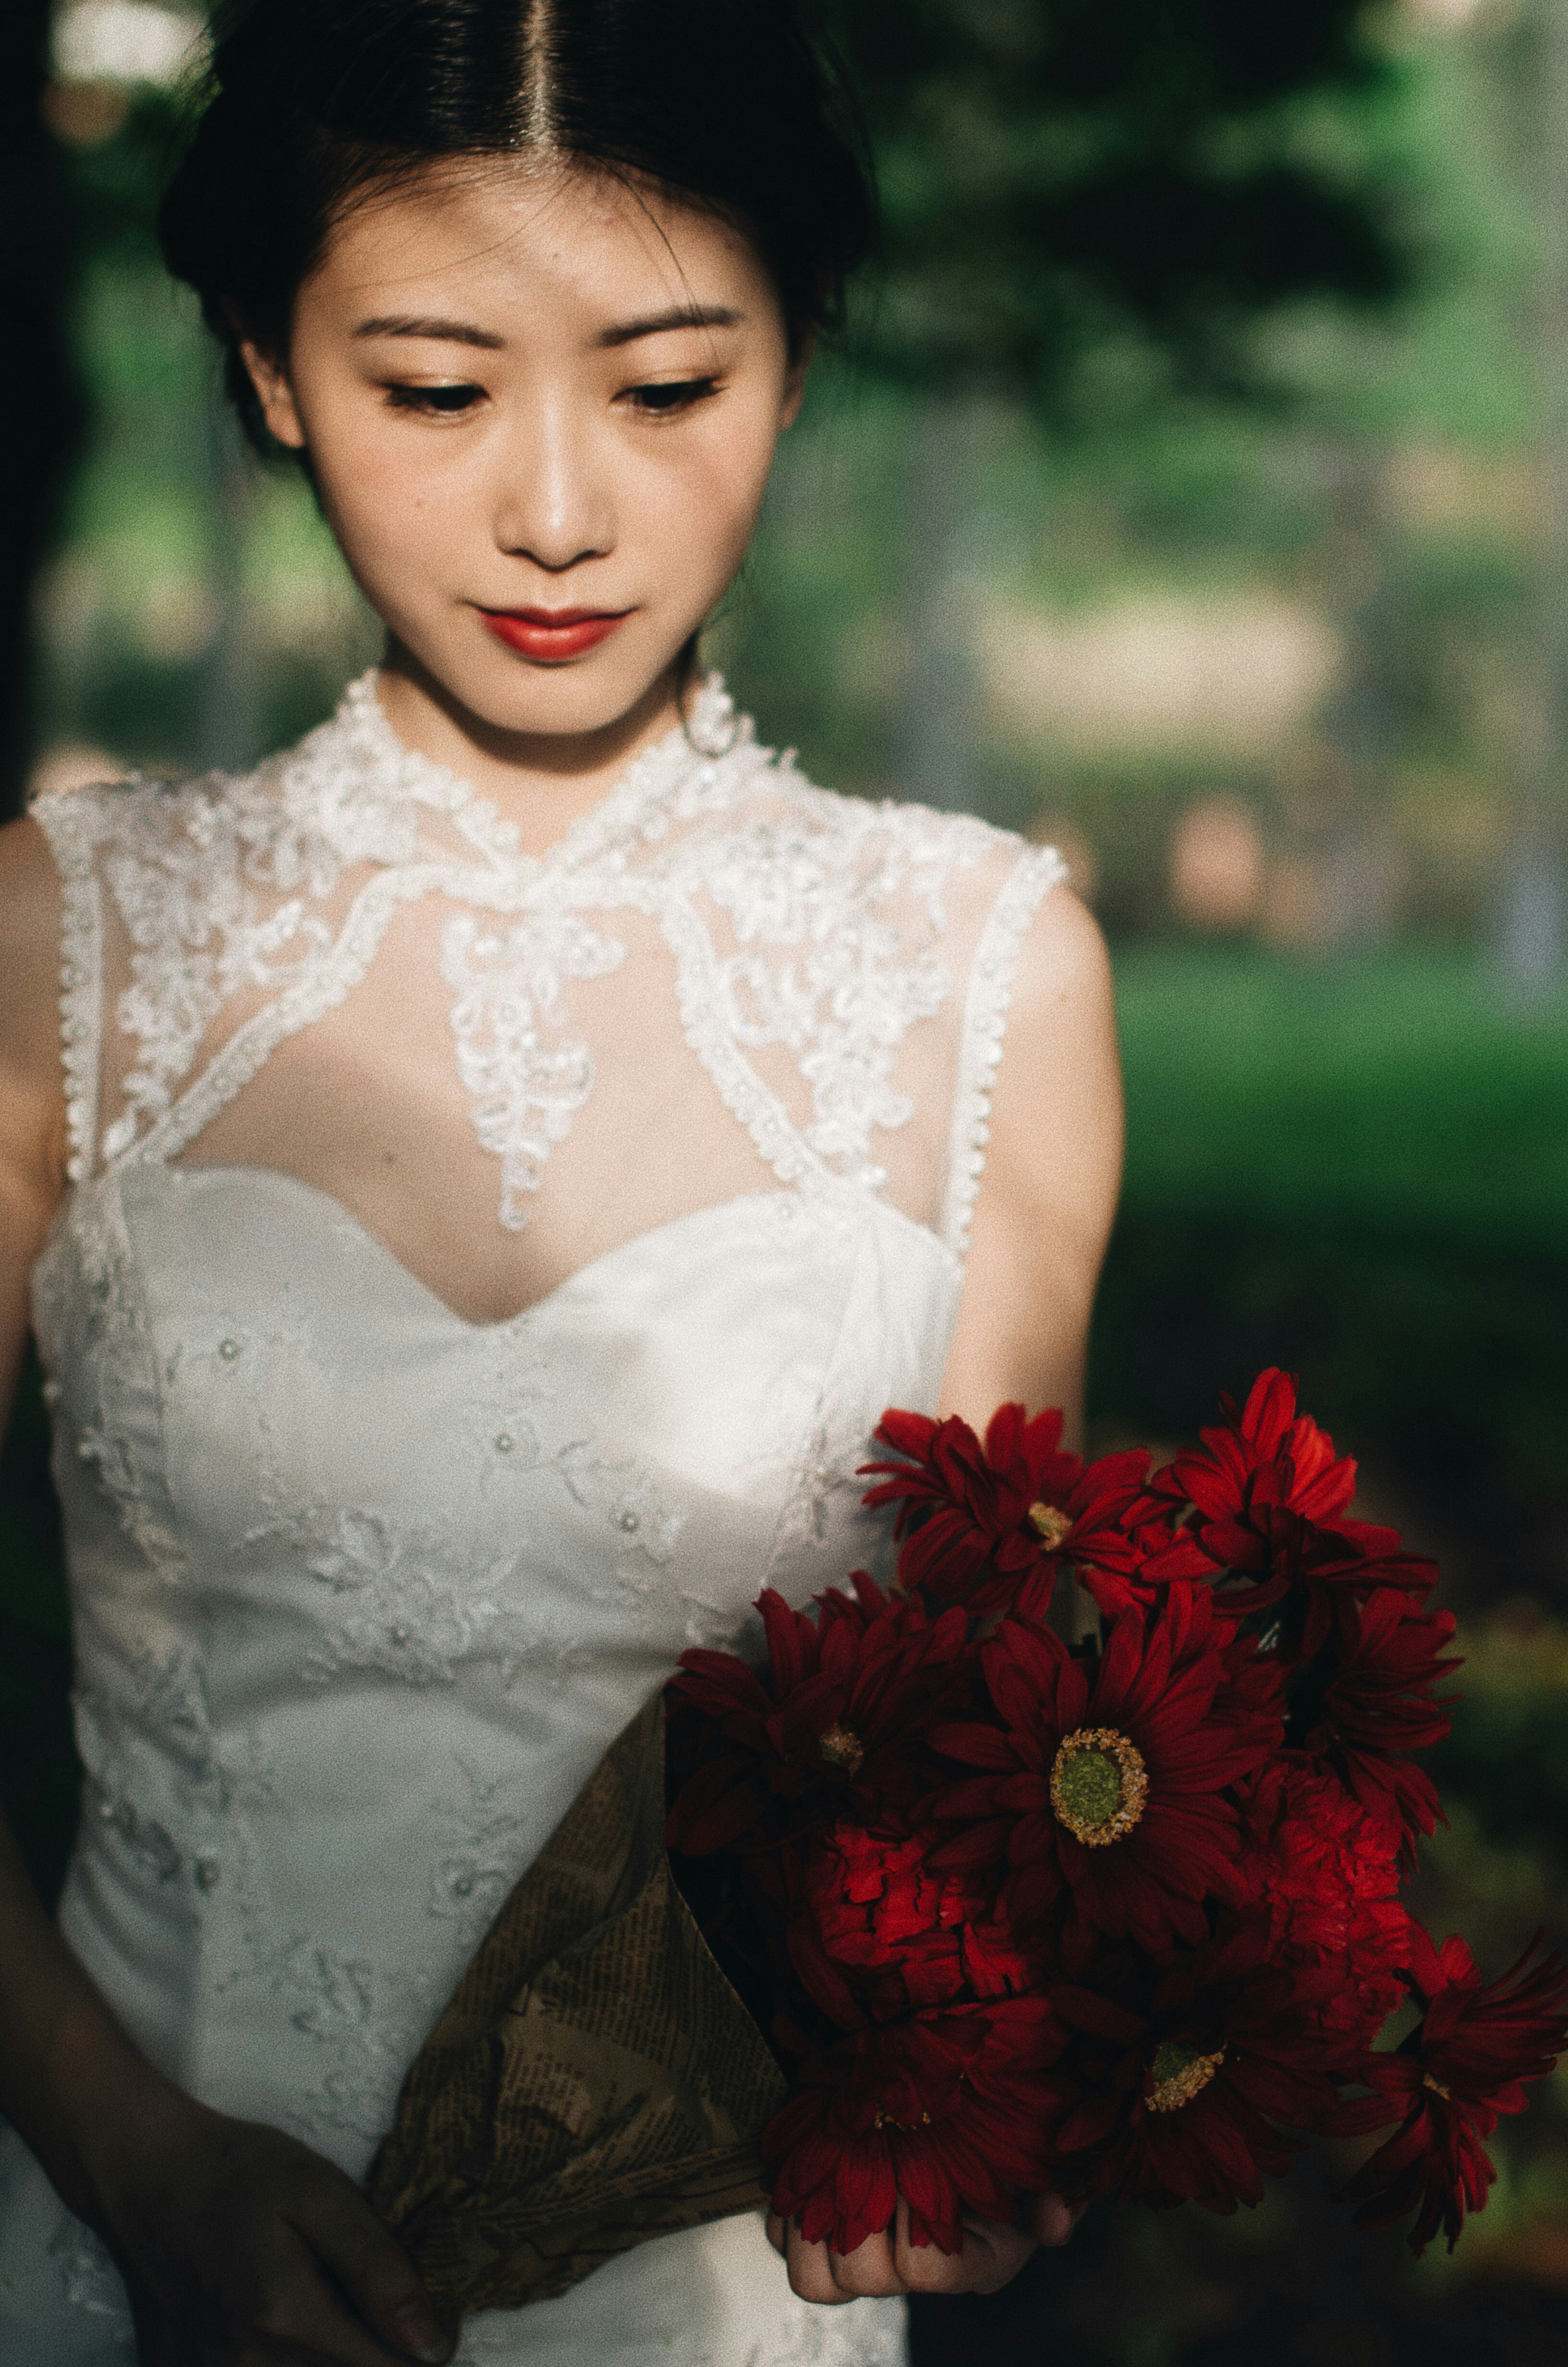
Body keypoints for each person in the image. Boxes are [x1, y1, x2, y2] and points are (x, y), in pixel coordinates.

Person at [0, 1, 1123, 2359]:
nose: (555, 507)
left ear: (798, 364)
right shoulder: (65, 945)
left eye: (666, 382)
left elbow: (985, 1764)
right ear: (273, 367)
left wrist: (998, 2085)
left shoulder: (980, 973)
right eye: (432, 387)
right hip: (138, 2245)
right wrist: (136, 2158)